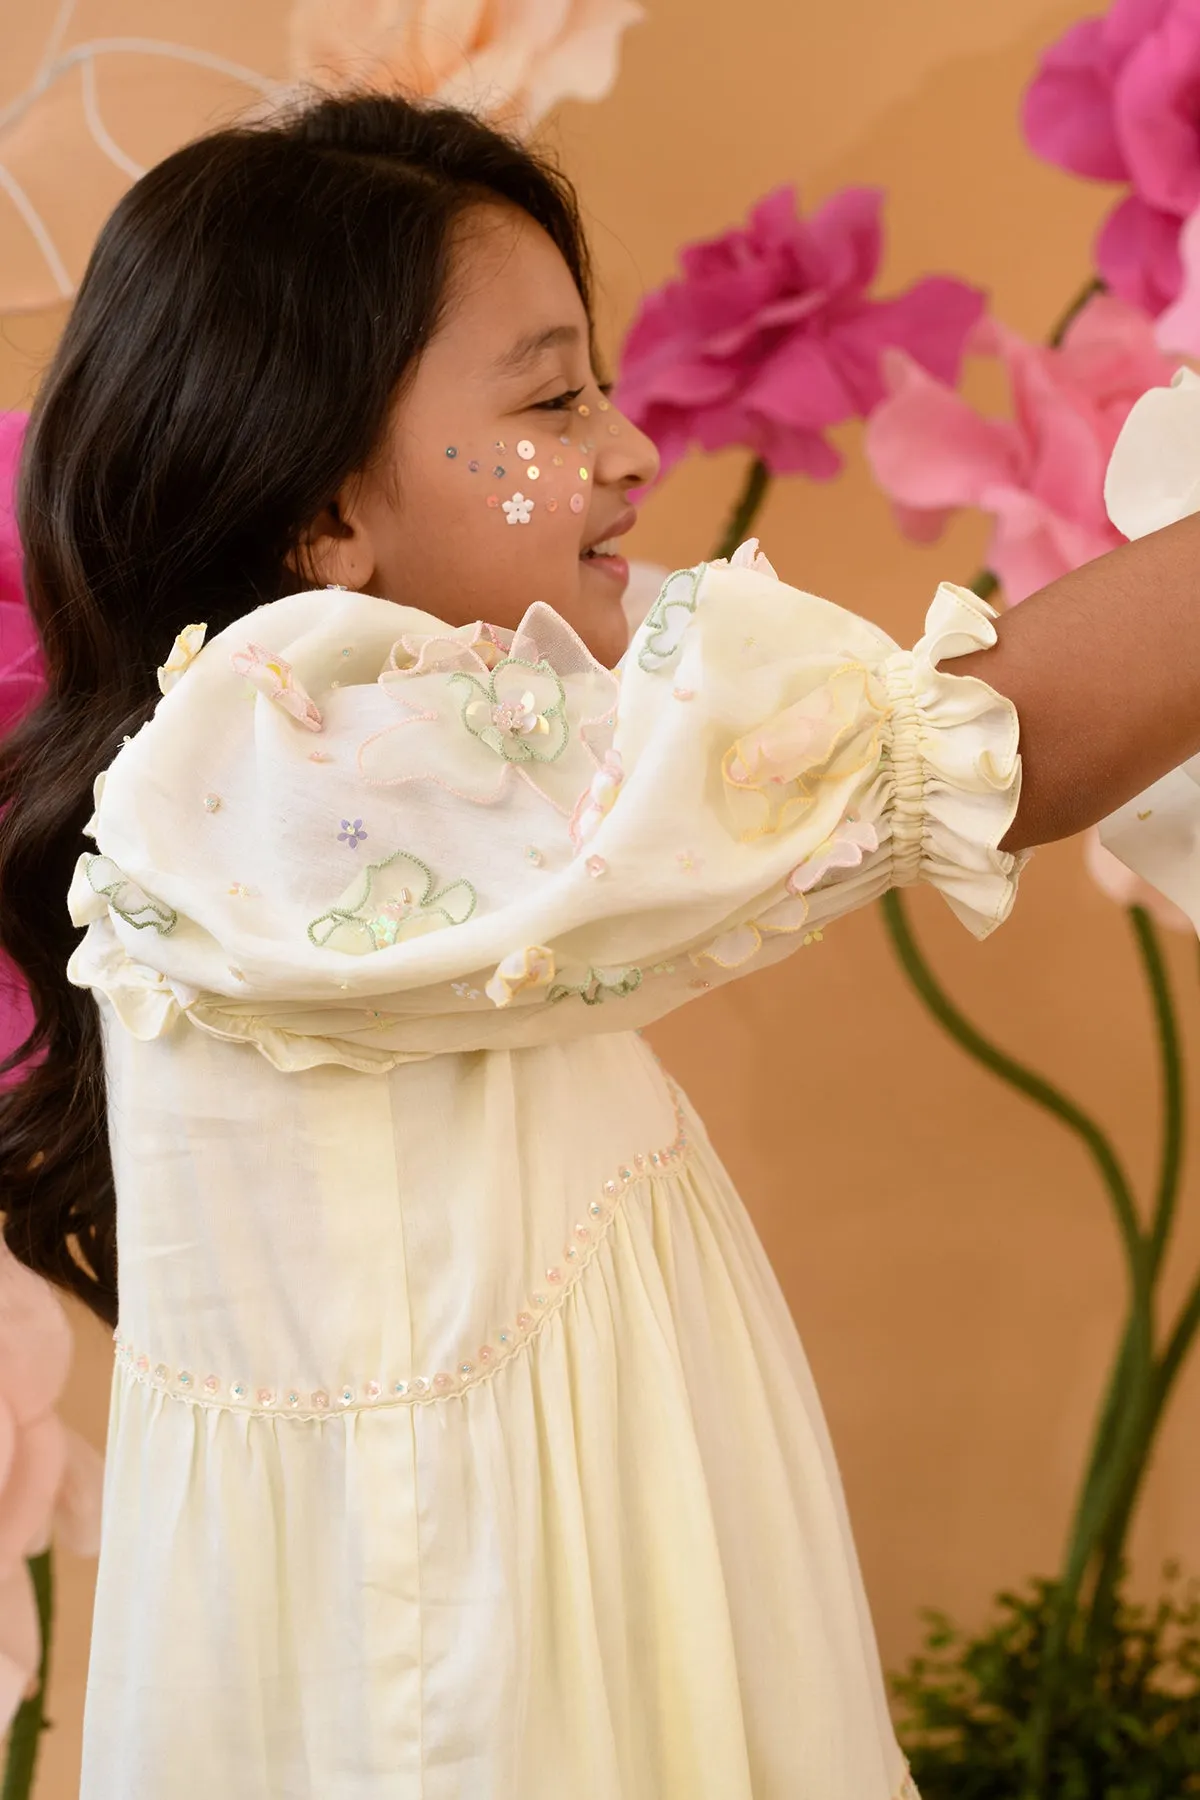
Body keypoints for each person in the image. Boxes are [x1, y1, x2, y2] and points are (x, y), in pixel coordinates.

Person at [2, 89, 1200, 1800]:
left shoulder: (387, 792)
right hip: (458, 1716)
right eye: (553, 398)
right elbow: (978, 746)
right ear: (325, 509)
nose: (631, 449)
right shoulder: (286, 756)